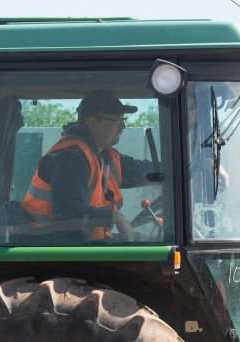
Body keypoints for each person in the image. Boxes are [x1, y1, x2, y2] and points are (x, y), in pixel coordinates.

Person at [21, 90, 155, 241]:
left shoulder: (102, 155)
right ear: (93, 123)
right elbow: (67, 214)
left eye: (123, 120)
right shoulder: (72, 157)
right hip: (52, 245)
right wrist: (114, 217)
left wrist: (170, 172)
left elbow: (144, 171)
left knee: (145, 239)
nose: (122, 127)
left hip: (83, 242)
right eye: (116, 121)